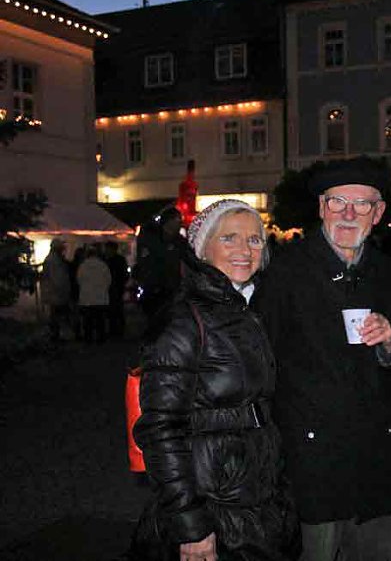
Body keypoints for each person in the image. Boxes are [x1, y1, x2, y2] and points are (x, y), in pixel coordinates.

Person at [130, 199, 300, 561]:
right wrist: (190, 525)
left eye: (254, 240)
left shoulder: (246, 309)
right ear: (202, 248)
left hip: (252, 500)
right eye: (229, 238)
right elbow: (160, 429)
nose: (244, 250)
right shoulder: (184, 320)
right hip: (212, 508)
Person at [255, 159, 391, 561]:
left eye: (362, 205)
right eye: (338, 202)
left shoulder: (387, 272)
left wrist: (390, 343)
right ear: (322, 207)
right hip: (312, 455)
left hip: (374, 454)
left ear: (377, 213)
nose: (348, 214)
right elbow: (260, 361)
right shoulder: (285, 271)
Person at [133, 206, 185, 338]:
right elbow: (147, 263)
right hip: (155, 289)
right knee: (156, 324)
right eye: (176, 222)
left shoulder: (179, 242)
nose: (179, 225)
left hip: (172, 289)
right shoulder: (151, 239)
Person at [77, 246, 111, 344]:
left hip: (86, 298)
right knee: (100, 320)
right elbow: (108, 280)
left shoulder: (82, 266)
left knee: (88, 321)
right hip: (100, 298)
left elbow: (79, 280)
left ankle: (88, 339)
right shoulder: (103, 265)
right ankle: (101, 339)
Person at [40, 238, 71, 342]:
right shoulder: (54, 261)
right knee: (57, 316)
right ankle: (56, 336)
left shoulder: (52, 259)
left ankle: (55, 336)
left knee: (55, 316)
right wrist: (64, 291)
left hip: (54, 293)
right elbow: (58, 279)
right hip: (56, 294)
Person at [104, 240, 130, 337]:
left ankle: (116, 330)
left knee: (115, 309)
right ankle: (117, 329)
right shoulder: (119, 260)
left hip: (114, 287)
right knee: (116, 310)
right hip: (116, 287)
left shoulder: (110, 260)